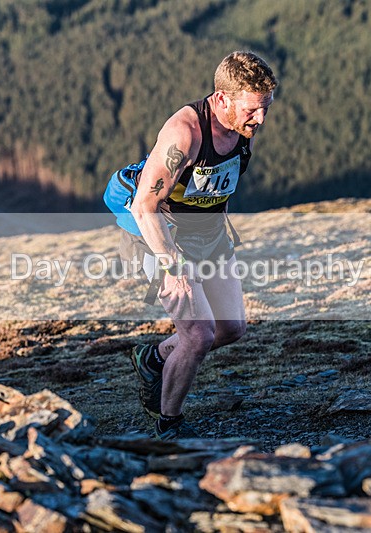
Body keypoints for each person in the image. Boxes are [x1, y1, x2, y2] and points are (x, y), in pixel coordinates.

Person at [122, 51, 278, 439]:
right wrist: (174, 267)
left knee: (231, 328)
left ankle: (154, 358)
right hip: (161, 236)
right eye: (252, 110)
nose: (260, 119)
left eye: (266, 108)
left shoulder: (241, 129)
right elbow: (144, 207)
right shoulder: (185, 134)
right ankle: (169, 425)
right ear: (222, 99)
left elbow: (215, 187)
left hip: (208, 234)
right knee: (198, 335)